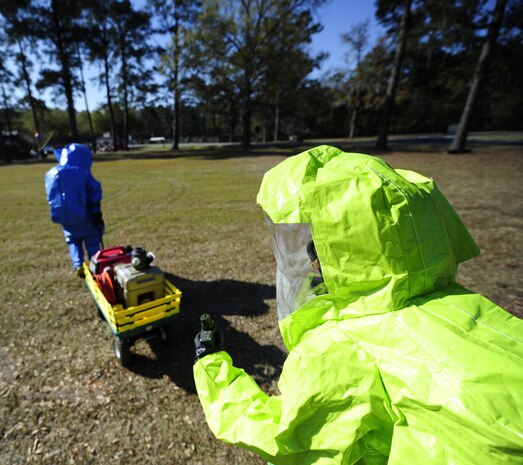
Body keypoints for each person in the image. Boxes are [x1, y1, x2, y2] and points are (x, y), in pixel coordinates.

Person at [193, 145, 523, 464]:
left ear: (355, 253)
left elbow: (282, 438)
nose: (312, 263)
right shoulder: (474, 307)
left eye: (320, 249)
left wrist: (210, 366)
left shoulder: (339, 349)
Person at [45, 143, 105, 278]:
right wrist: (96, 211)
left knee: (73, 241)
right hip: (85, 216)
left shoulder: (51, 174)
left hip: (65, 218)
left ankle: (78, 264)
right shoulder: (82, 173)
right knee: (92, 239)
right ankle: (95, 264)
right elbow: (94, 192)